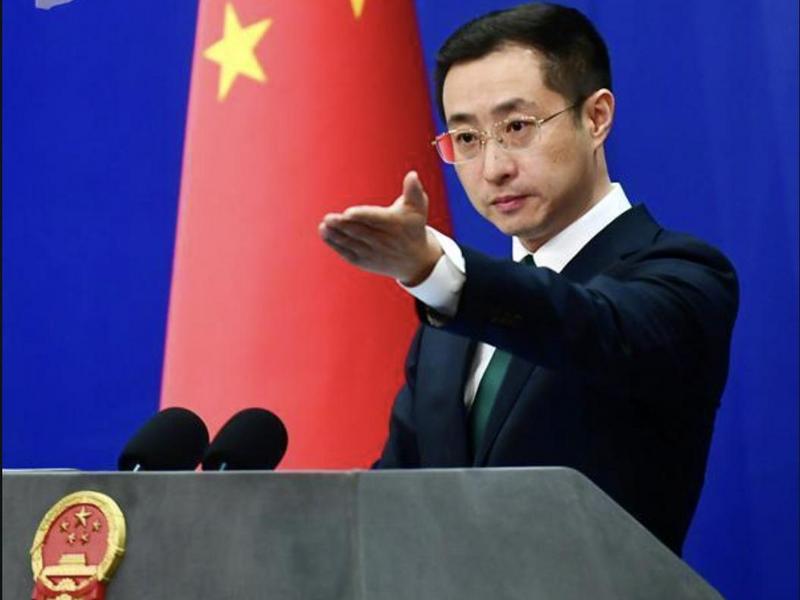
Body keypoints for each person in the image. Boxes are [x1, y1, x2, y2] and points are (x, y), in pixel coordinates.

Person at [318, 2, 738, 555]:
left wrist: (437, 273)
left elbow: (593, 327)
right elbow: (395, 503)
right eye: (467, 139)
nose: (493, 168)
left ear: (596, 118)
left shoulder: (684, 275)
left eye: (516, 128)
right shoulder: (448, 323)